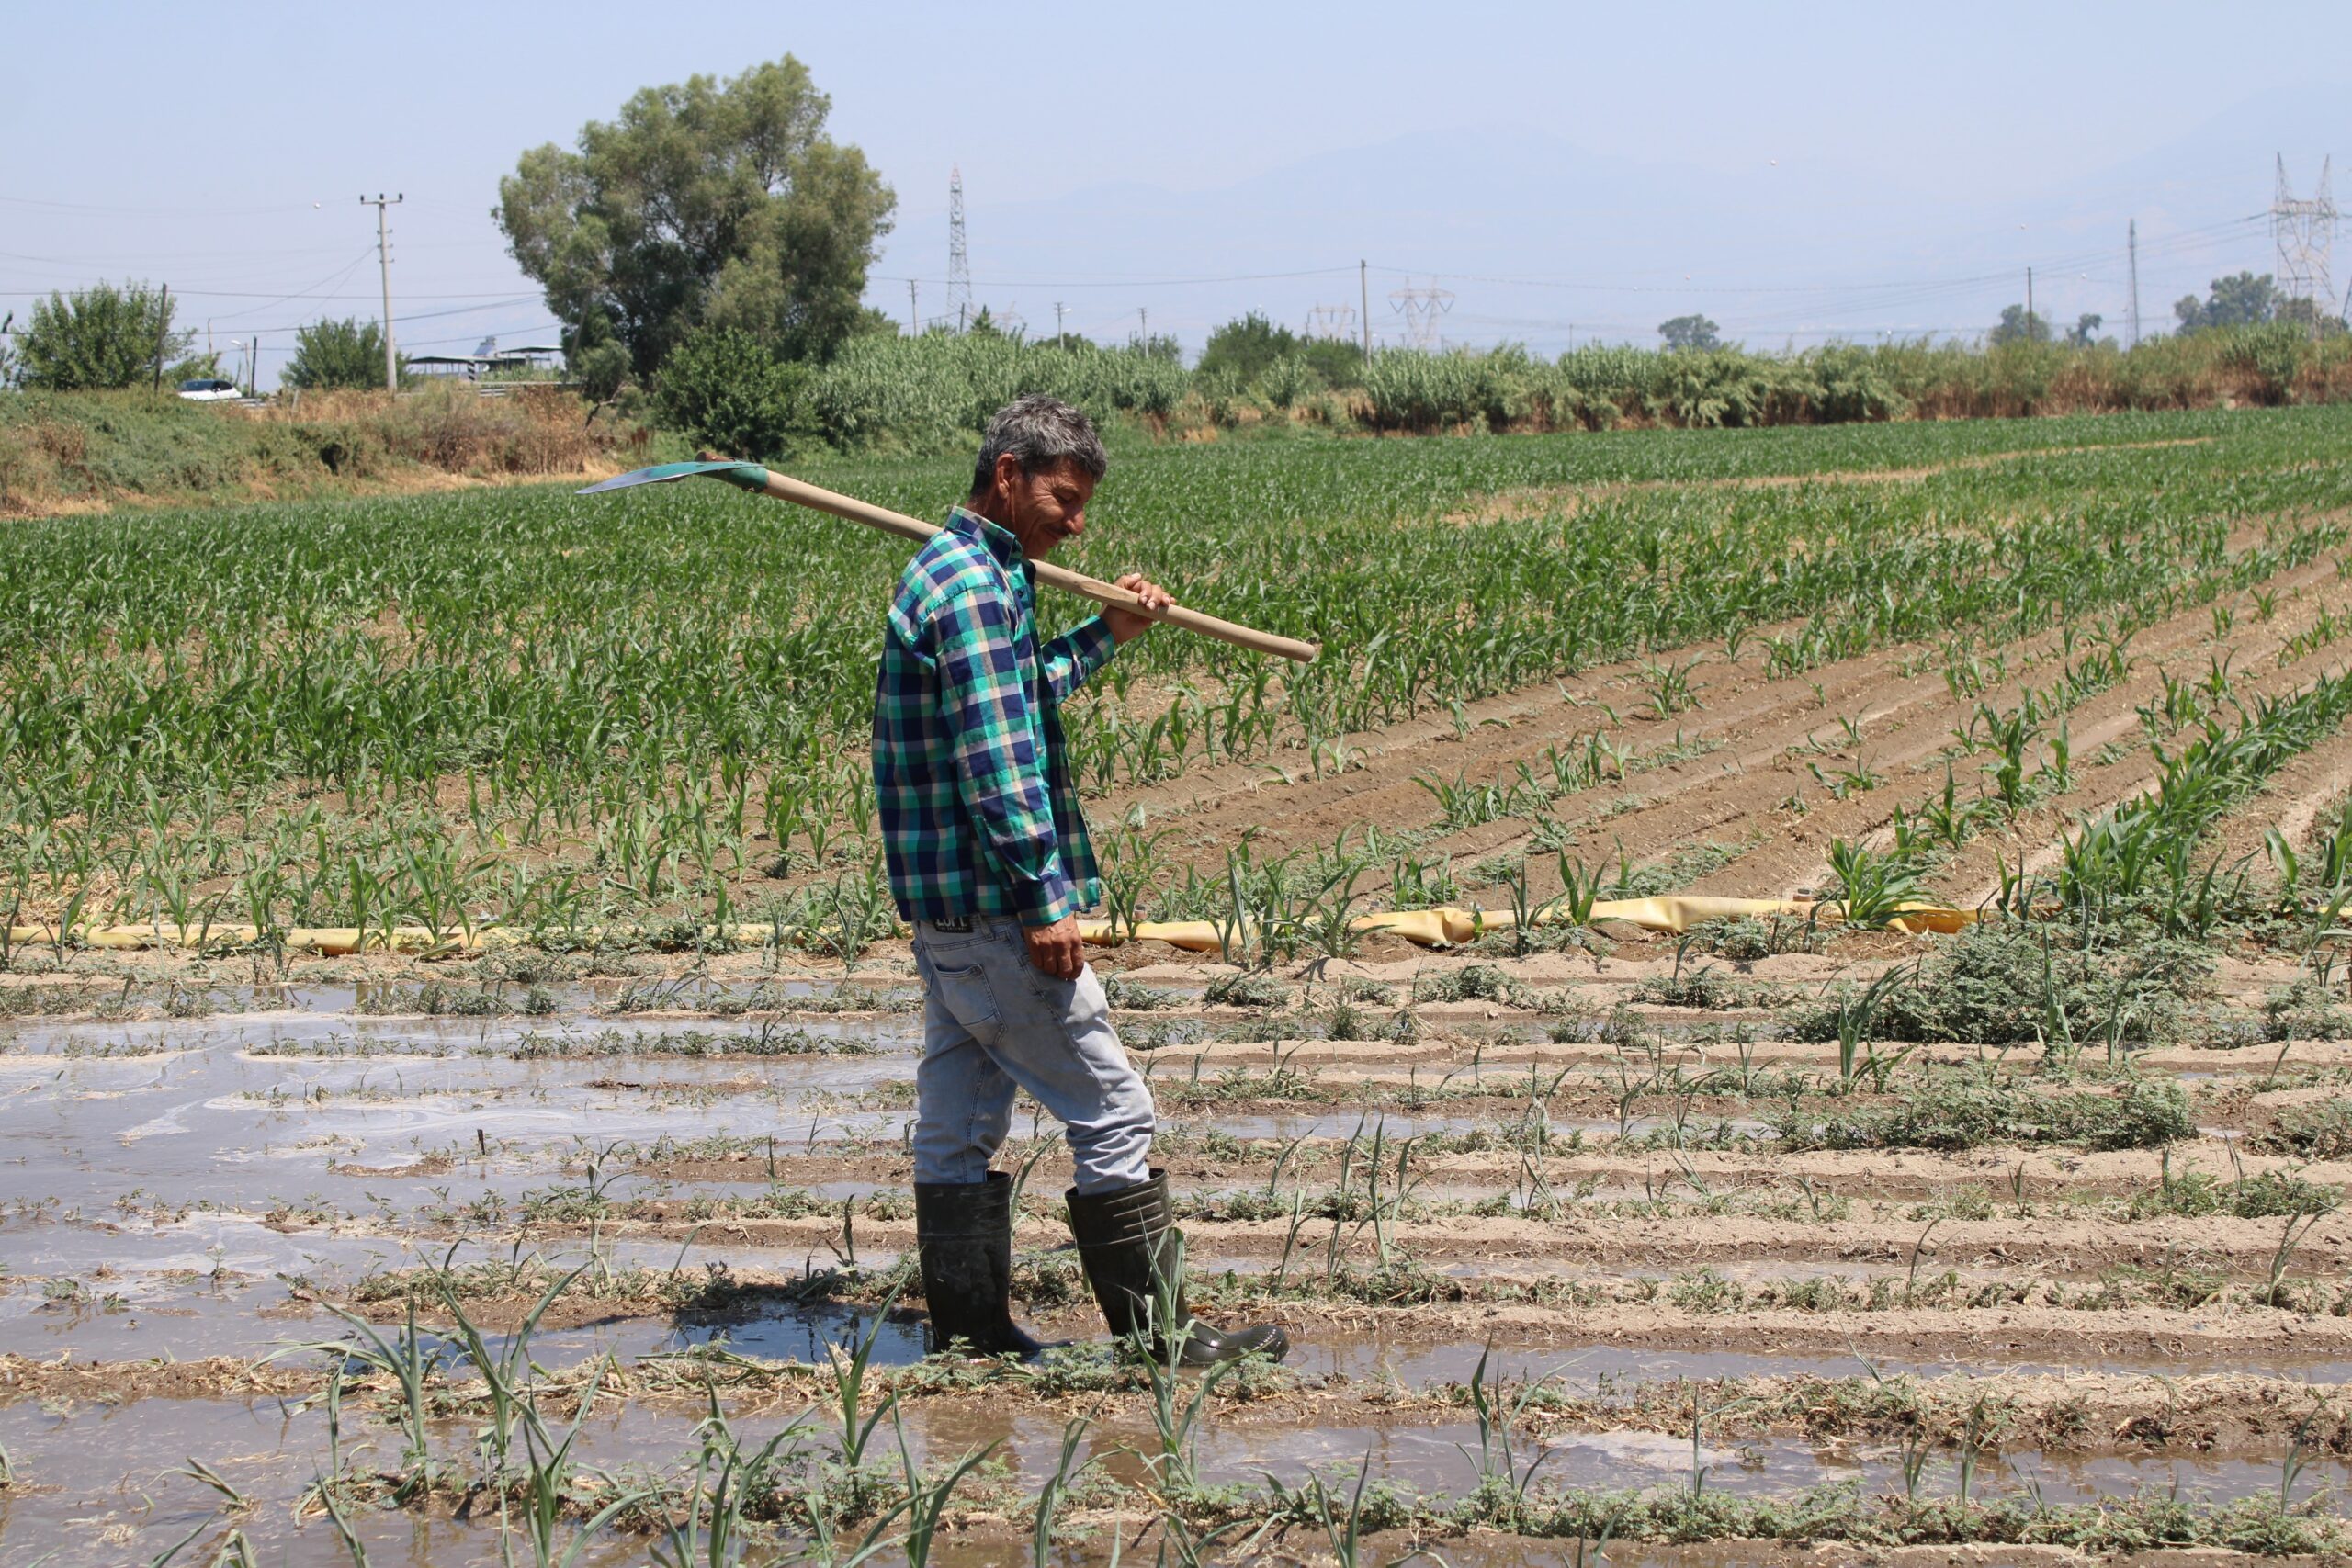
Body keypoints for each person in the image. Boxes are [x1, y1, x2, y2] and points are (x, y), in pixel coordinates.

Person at [873, 393, 1289, 1367]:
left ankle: (971, 1336)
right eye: (1063, 498)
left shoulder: (973, 574)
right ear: (1009, 477)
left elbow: (1018, 696)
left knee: (957, 1127)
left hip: (949, 916)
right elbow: (998, 762)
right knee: (1113, 1111)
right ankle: (1159, 1340)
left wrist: (1105, 632)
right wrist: (1040, 901)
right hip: (990, 910)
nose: (1077, 522)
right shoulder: (973, 588)